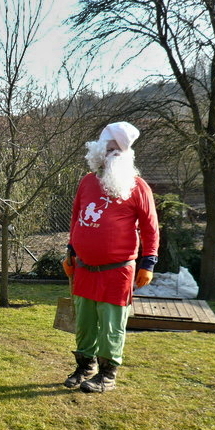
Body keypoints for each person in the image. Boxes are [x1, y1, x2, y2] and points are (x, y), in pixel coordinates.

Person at [62, 121, 159, 393]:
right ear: (99, 149)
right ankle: (85, 367)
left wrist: (148, 262)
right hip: (84, 268)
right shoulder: (87, 182)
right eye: (109, 148)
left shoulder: (138, 187)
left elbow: (151, 227)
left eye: (118, 149)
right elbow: (77, 218)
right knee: (85, 322)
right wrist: (71, 252)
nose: (112, 153)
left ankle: (107, 375)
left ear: (127, 154)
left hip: (117, 271)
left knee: (111, 324)